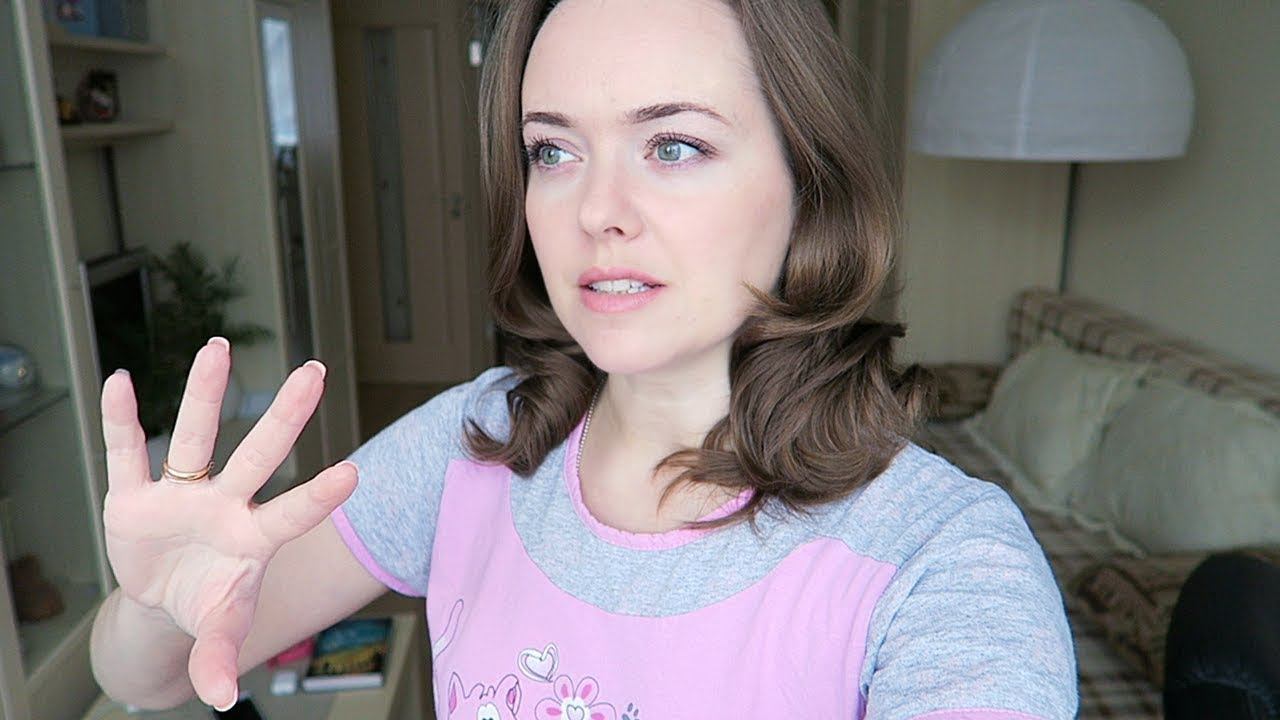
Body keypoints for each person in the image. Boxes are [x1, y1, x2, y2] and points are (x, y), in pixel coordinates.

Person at [91, 0, 1078, 717]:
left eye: (674, 146)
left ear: (807, 184)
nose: (596, 210)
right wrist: (157, 608)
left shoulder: (941, 561)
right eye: (553, 152)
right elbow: (152, 677)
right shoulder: (477, 439)